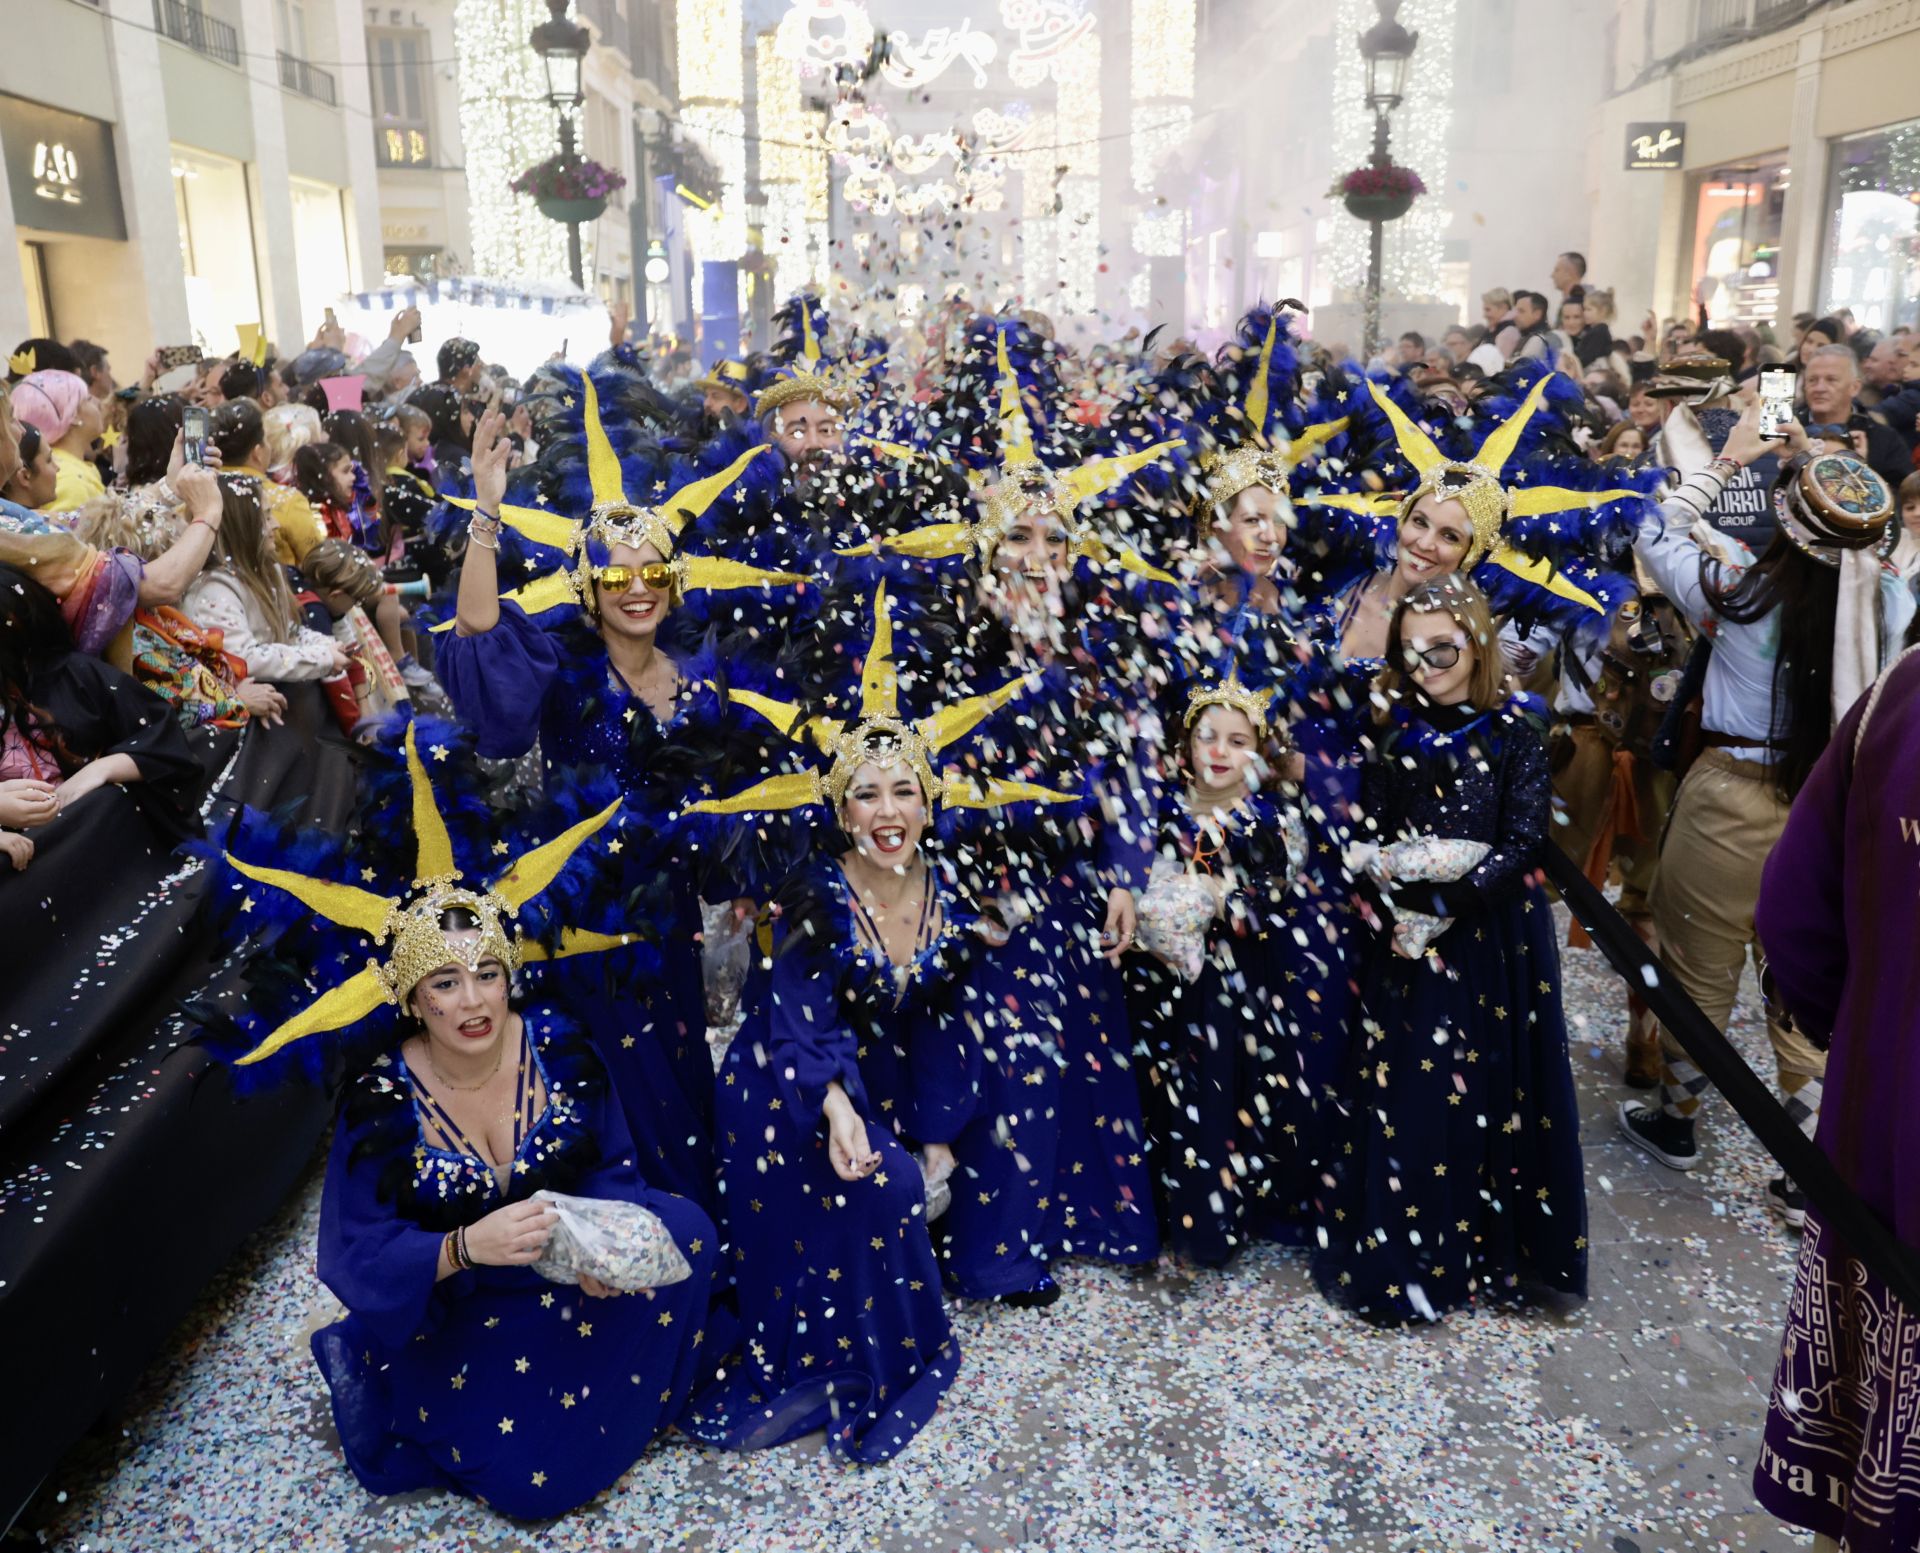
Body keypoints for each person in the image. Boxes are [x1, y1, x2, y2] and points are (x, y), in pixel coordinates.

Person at [209, 724, 719, 1519]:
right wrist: (459, 1247)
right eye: (444, 982)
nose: (473, 1000)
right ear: (410, 998)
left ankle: (613, 1394)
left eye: (487, 973)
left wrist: (604, 1250)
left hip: (575, 1287)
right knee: (528, 1486)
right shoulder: (384, 1100)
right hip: (464, 1315)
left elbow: (614, 1166)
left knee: (688, 1231)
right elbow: (359, 1252)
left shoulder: (557, 1045)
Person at [439, 385, 803, 1211]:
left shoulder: (703, 682)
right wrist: (487, 515)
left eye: (651, 575)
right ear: (588, 588)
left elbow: (730, 802)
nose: (635, 590)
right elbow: (479, 642)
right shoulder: (561, 673)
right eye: (615, 577)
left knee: (677, 1083)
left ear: (673, 583)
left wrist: (742, 884)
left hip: (668, 920)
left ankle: (685, 1240)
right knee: (602, 1090)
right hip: (580, 924)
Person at [1618, 403, 1900, 1226]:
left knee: (1699, 966)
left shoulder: (1735, 592)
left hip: (1727, 796)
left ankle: (1677, 1119)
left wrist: (1730, 459)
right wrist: (1820, 463)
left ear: (1786, 519)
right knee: (1802, 973)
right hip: (1827, 807)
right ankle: (1807, 1162)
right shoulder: (1885, 602)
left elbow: (1655, 527)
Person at [1313, 573, 1586, 1325]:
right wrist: (1390, 892)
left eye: (1443, 648)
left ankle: (1483, 1248)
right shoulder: (1396, 728)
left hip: (1490, 941)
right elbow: (1370, 826)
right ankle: (1407, 1254)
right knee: (1412, 1094)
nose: (1429, 666)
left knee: (1488, 1093)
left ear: (1476, 642)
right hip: (1408, 941)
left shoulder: (1516, 727)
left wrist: (1449, 900)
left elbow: (1525, 839)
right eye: (1412, 652)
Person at [1126, 666, 1318, 1263]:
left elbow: (1277, 900)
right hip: (1155, 979)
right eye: (1208, 736)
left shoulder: (1266, 821)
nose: (1219, 752)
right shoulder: (1159, 809)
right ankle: (1149, 1213)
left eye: (1238, 742)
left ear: (1259, 754)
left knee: (1214, 1095)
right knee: (1155, 1088)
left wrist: (1222, 900)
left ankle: (1208, 1222)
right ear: (1185, 744)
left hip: (1229, 987)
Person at [211, 399, 327, 565]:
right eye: (266, 441)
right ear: (257, 452)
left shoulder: (196, 496)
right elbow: (320, 562)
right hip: (276, 588)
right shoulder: (286, 501)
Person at [1801, 344, 1913, 489]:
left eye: (1831, 380)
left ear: (1854, 387)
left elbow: (1904, 498)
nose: (1819, 388)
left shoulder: (1882, 438)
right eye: (1812, 380)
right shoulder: (1788, 430)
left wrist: (1862, 473)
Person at [12, 369, 105, 514]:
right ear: (73, 415)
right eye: (87, 399)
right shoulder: (70, 480)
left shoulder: (68, 467)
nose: (98, 403)